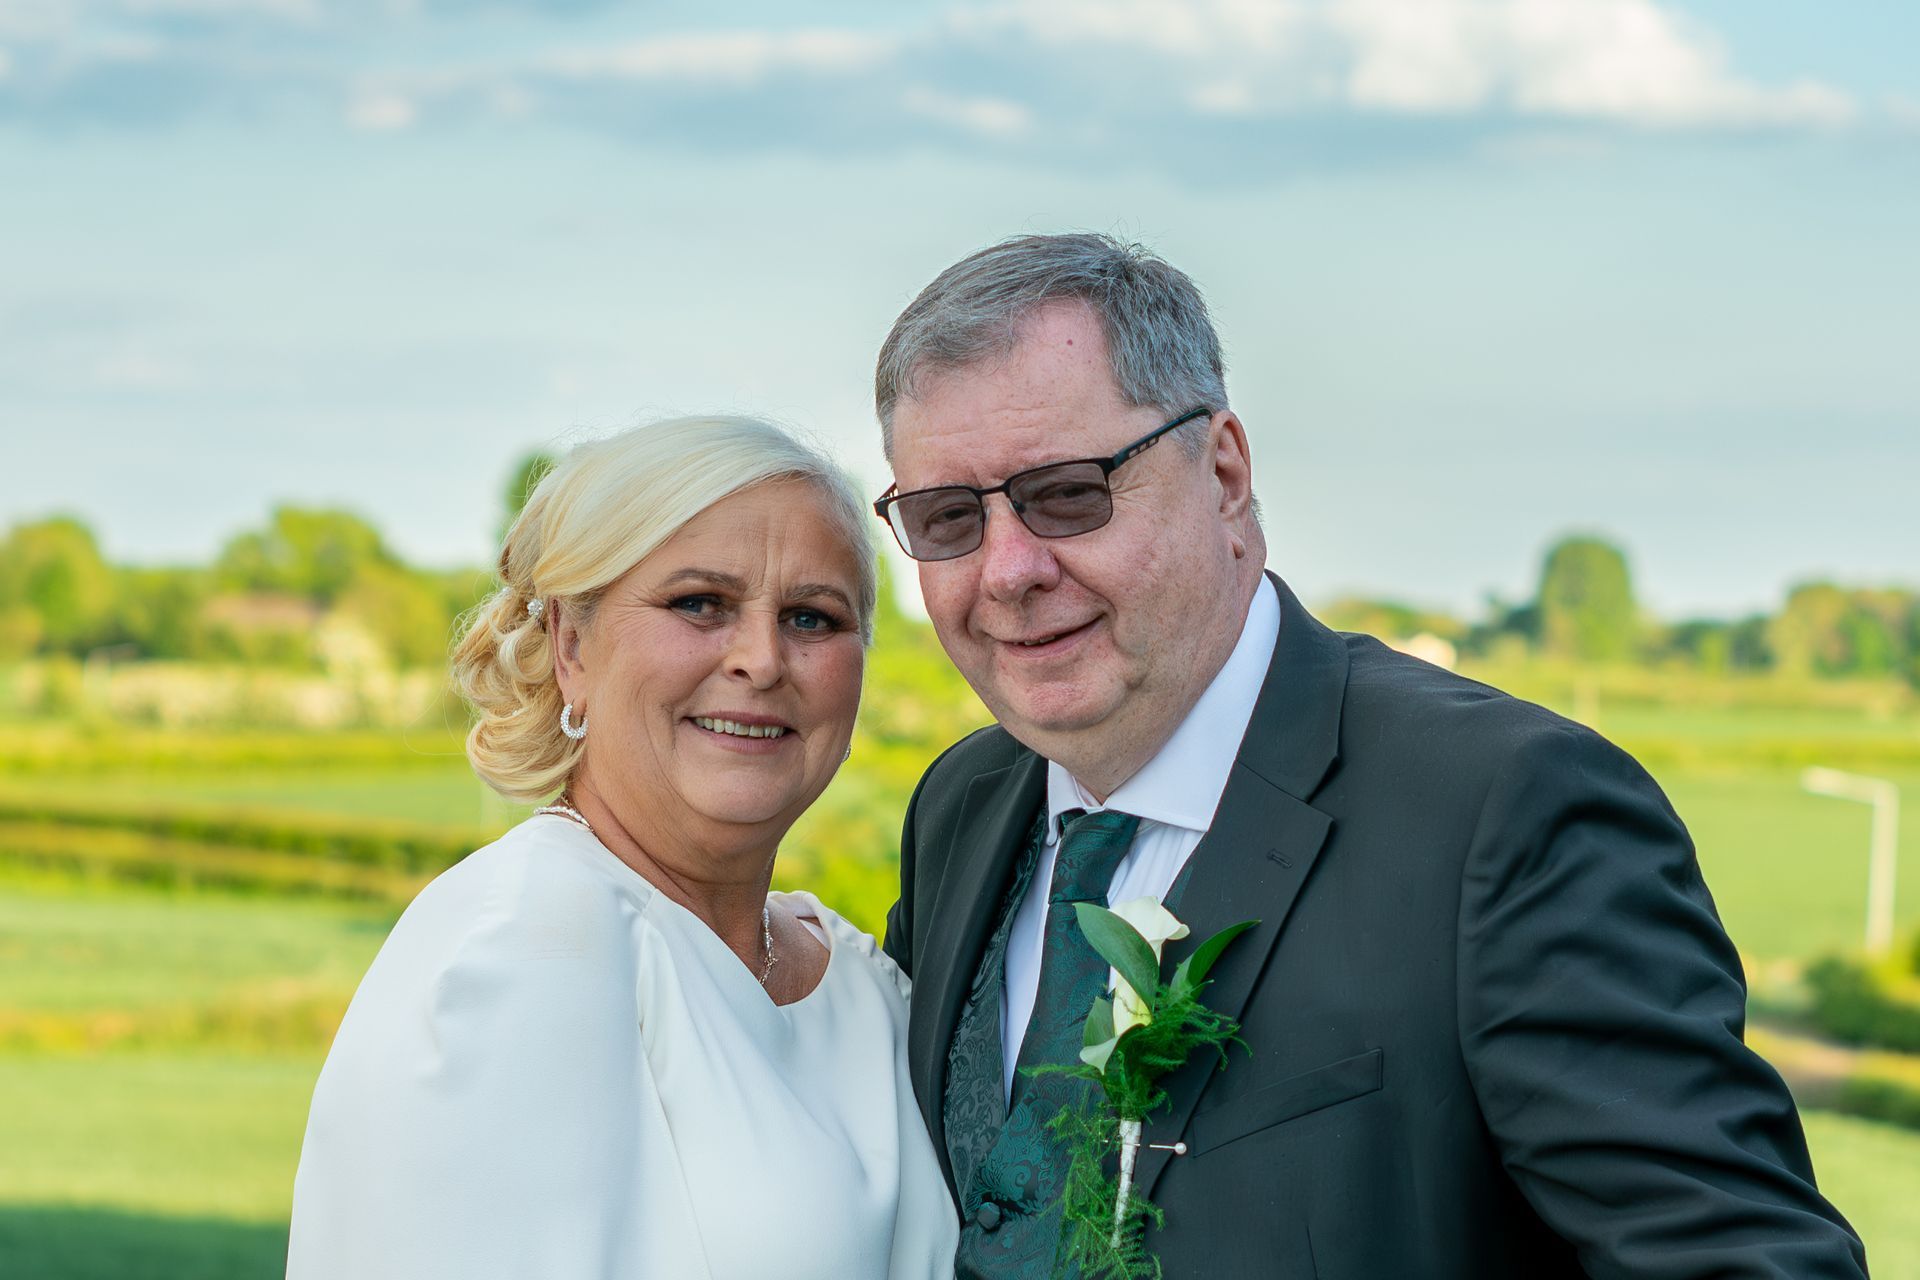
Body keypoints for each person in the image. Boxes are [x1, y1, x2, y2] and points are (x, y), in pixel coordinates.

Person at [873, 235, 1868, 1278]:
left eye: (1068, 492)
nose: (1009, 571)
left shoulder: (1507, 812)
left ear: (1223, 475)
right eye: (947, 519)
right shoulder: (961, 806)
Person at [288, 416, 957, 1279]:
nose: (761, 658)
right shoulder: (530, 945)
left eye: (811, 617)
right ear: (571, 646)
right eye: (699, 604)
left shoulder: (868, 985)